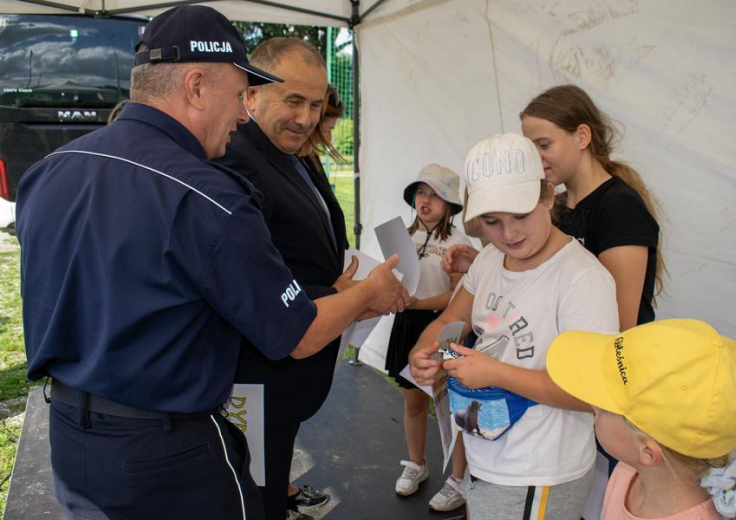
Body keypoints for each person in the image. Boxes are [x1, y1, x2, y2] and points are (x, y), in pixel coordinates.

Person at [16, 6, 408, 519]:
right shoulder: (208, 195)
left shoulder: (48, 170)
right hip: (167, 451)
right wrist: (367, 294)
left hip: (69, 435)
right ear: (197, 85)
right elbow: (298, 333)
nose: (244, 114)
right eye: (239, 94)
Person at [410, 133, 619, 520]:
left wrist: (494, 373)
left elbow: (594, 393)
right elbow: (451, 319)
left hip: (540, 470)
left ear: (548, 197)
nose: (509, 234)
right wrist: (428, 352)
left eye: (521, 215)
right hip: (487, 453)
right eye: (492, 222)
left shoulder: (582, 279)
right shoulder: (490, 260)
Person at [216, 37, 359, 520]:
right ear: (251, 94)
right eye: (293, 101)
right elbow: (252, 277)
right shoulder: (238, 157)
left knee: (271, 476)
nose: (306, 118)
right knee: (254, 492)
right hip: (257, 374)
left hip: (288, 373)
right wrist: (341, 296)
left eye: (316, 104)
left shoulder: (286, 152)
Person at [444, 85, 661, 332]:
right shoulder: (555, 204)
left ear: (582, 136)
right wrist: (490, 266)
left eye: (544, 145)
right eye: (530, 148)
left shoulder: (620, 207)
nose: (535, 158)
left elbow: (618, 324)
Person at [546, 319, 736, 520]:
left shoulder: (629, 472)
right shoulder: (628, 474)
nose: (594, 405)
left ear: (648, 453)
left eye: (605, 408)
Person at [384, 164, 471, 511]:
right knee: (413, 401)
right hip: (407, 325)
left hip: (445, 327)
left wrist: (419, 302)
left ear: (449, 203)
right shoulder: (402, 236)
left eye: (435, 195)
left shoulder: (459, 243)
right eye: (421, 192)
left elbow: (457, 298)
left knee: (451, 404)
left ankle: (459, 478)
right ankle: (417, 464)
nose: (426, 200)